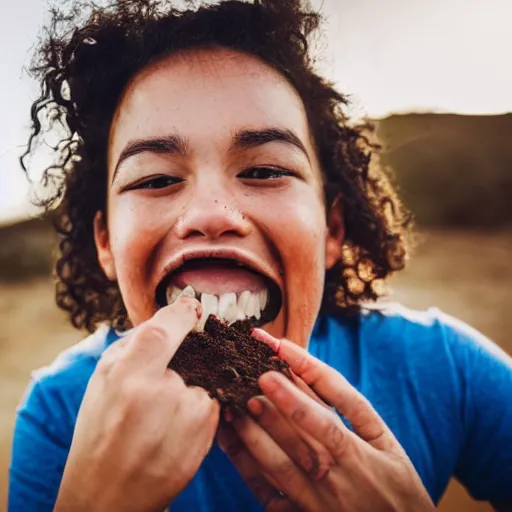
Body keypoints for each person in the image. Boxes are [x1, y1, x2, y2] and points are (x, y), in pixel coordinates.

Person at [8, 0, 512, 510]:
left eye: (265, 171)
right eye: (156, 179)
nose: (210, 213)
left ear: (332, 229)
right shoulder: (59, 416)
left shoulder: (448, 369)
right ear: (106, 243)